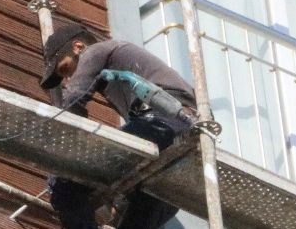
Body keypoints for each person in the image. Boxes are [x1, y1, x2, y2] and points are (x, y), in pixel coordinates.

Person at [40, 23, 198, 229]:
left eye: (65, 69)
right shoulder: (121, 69)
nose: (68, 79)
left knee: (62, 183)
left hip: (165, 121)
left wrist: (66, 156)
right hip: (183, 139)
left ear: (78, 47)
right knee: (137, 213)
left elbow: (73, 104)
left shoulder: (97, 51)